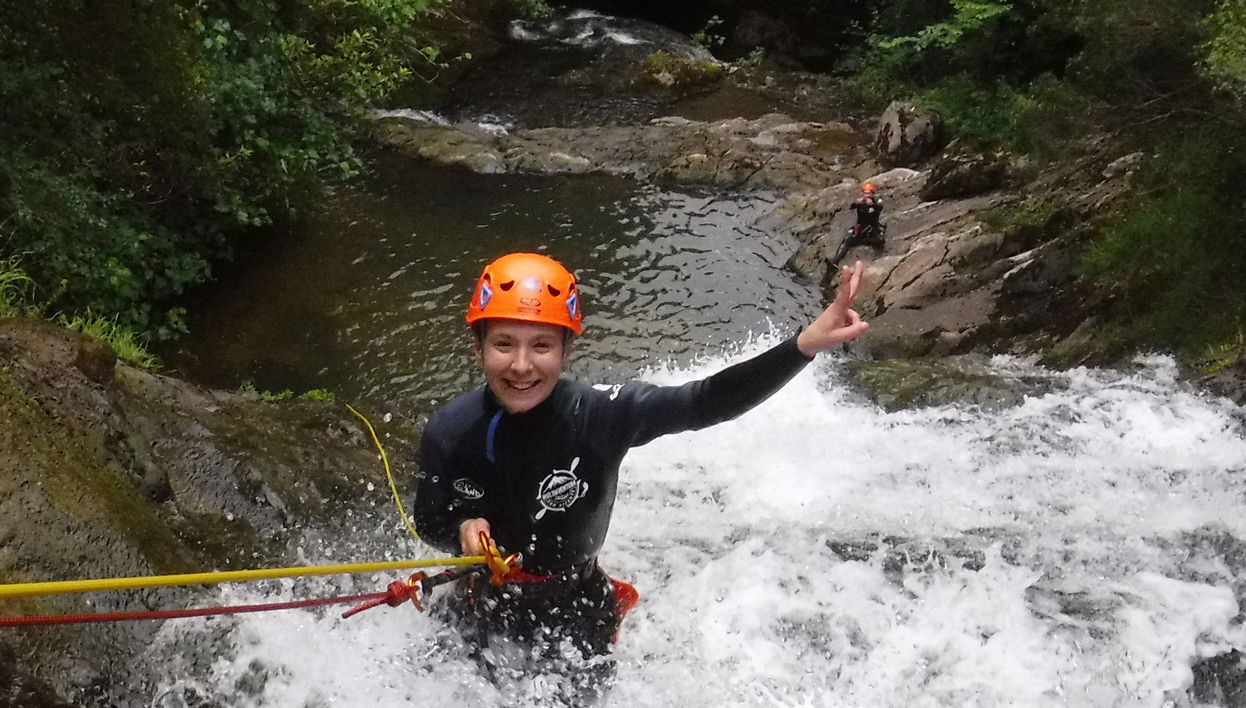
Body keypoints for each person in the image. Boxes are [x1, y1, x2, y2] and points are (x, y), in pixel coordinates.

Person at [412, 252, 869, 702]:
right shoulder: (450, 432)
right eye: (504, 344)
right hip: (482, 605)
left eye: (542, 345)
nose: (521, 366)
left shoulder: (601, 415)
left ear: (568, 350)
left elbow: (703, 401)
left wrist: (802, 346)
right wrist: (463, 530)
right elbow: (430, 522)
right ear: (479, 347)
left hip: (577, 604)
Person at [833, 182, 885, 266]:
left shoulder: (876, 201)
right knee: (847, 239)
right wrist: (858, 203)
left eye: (868, 193)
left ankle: (864, 241)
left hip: (872, 227)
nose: (866, 195)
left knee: (880, 241)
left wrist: (872, 205)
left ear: (872, 194)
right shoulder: (860, 202)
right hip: (861, 227)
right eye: (865, 193)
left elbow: (880, 206)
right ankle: (835, 261)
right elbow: (852, 206)